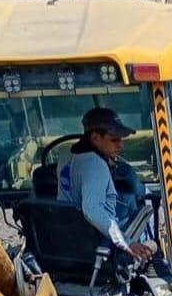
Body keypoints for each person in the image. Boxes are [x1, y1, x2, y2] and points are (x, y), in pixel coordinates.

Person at [57, 107, 154, 264]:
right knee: (147, 208)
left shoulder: (66, 154)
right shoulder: (95, 165)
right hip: (101, 245)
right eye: (114, 139)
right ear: (95, 137)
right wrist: (126, 242)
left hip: (73, 238)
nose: (120, 145)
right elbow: (92, 209)